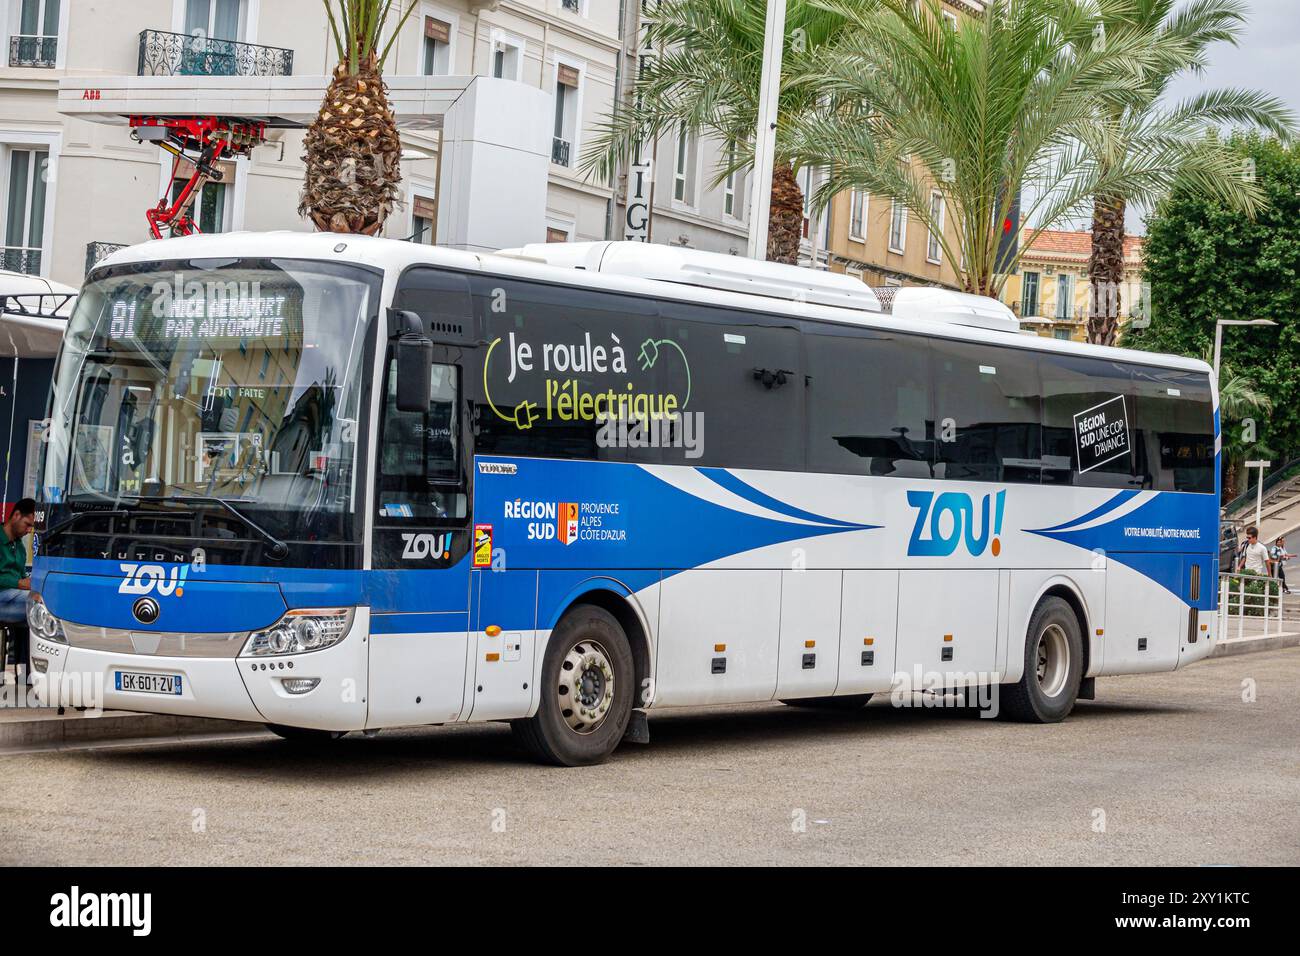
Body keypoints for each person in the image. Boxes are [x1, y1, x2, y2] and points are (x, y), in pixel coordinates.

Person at [0, 498, 35, 622]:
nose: (30, 530)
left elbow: (22, 577)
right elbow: (19, 582)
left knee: (42, 603)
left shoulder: (20, 547)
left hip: (13, 597)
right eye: (27, 524)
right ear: (16, 515)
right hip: (3, 595)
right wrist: (19, 583)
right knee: (36, 604)